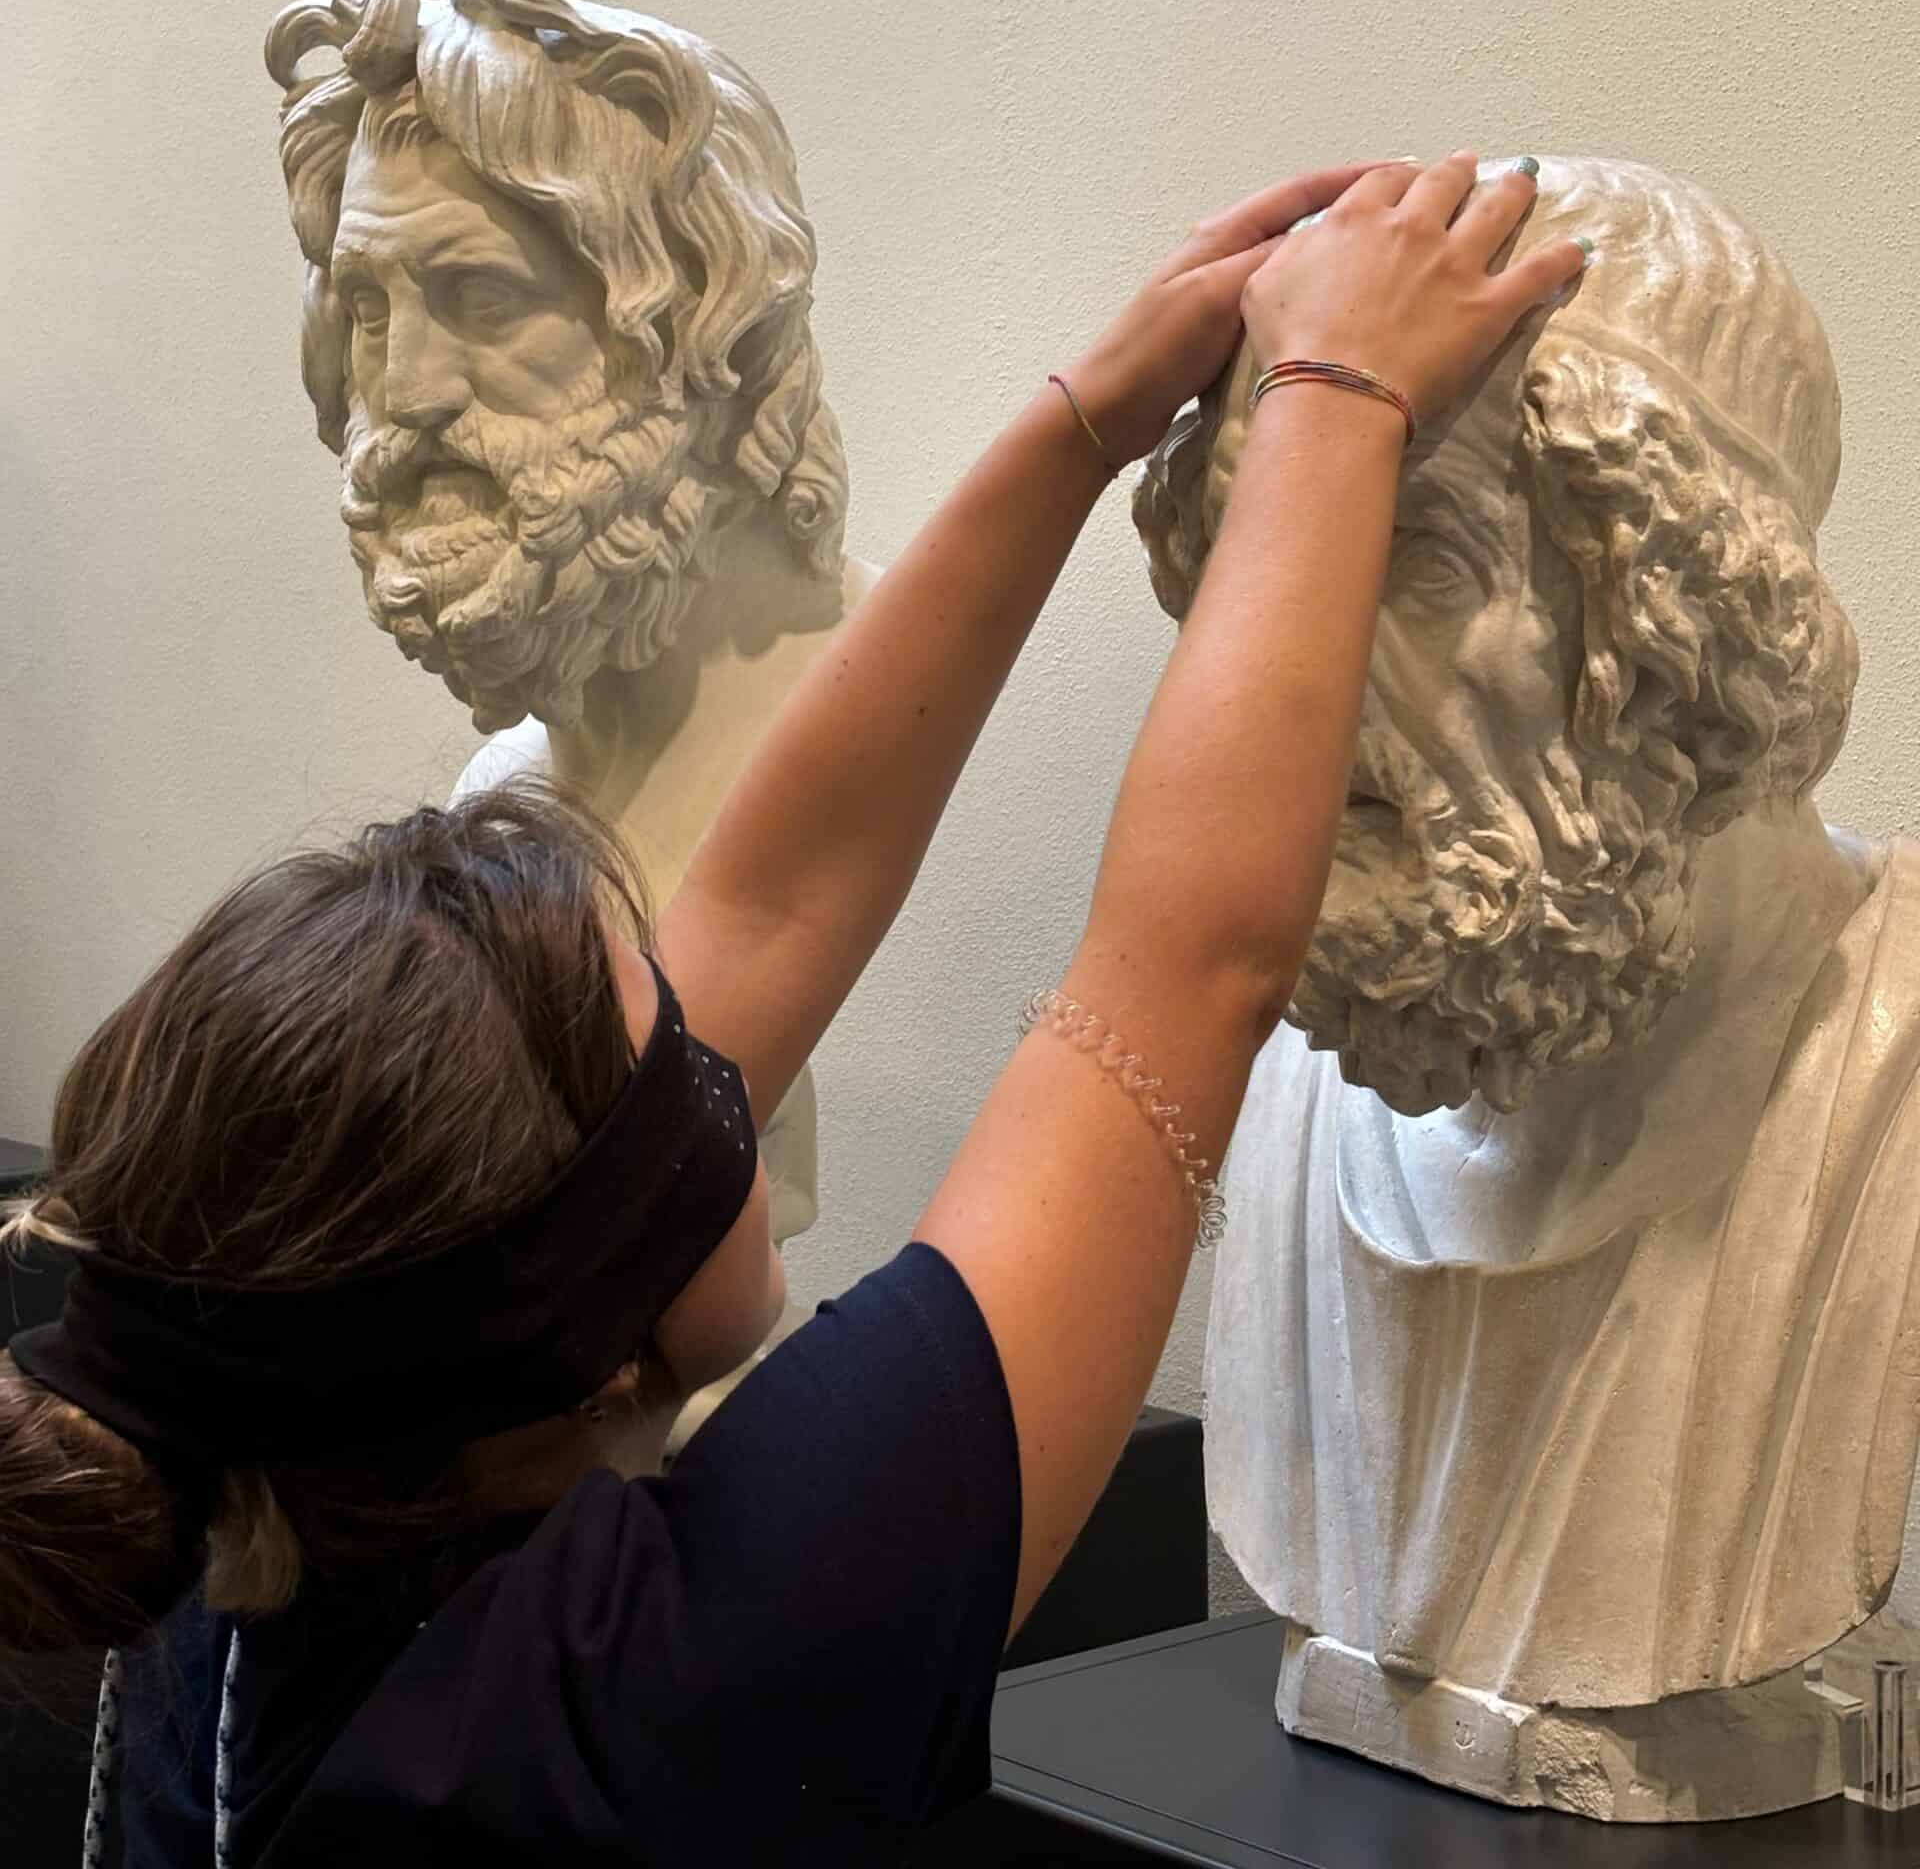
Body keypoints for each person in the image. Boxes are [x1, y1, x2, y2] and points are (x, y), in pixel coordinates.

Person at [0, 152, 1582, 1865]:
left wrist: (1084, 423)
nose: (722, 1040)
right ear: (598, 1343)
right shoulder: (665, 1685)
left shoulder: (271, 1467)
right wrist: (1335, 398)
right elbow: (1182, 968)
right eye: (676, 1069)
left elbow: (774, 897)